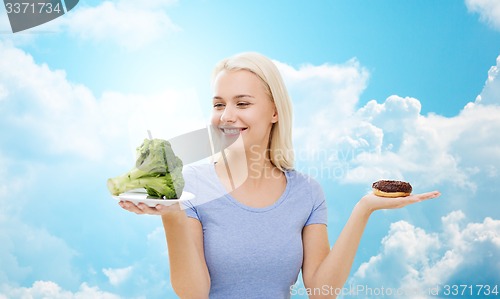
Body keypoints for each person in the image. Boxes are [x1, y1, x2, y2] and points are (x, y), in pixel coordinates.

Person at [119, 52, 440, 299]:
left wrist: (364, 209)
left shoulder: (307, 192)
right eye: (218, 104)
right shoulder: (190, 184)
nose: (226, 116)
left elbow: (320, 290)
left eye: (242, 103)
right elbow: (193, 293)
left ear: (274, 111)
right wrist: (172, 215)